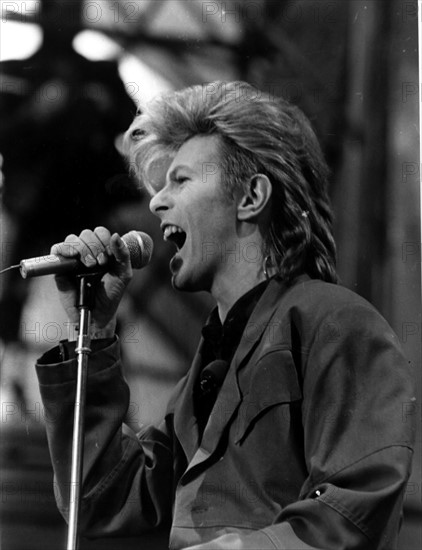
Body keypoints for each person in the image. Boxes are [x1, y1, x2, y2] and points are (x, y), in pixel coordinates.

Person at [36, 81, 415, 550]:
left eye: (181, 181)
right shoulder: (206, 371)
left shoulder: (336, 323)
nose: (156, 202)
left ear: (251, 197)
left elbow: (352, 514)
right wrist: (91, 331)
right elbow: (102, 501)